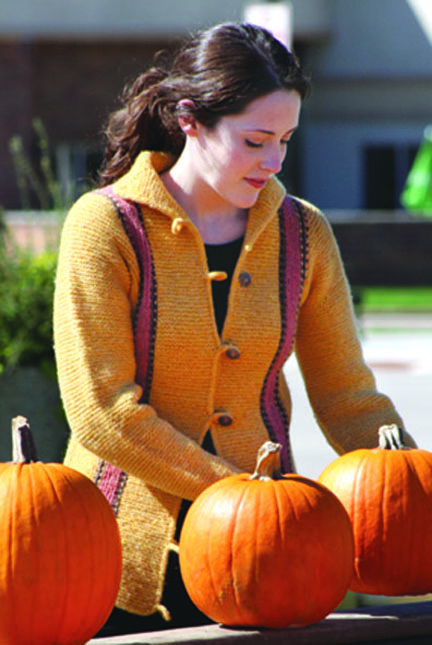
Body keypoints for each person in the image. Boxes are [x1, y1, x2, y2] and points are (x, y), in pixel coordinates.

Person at [53, 22, 415, 637]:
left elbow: (345, 393)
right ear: (191, 120)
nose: (274, 162)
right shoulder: (107, 227)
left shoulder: (303, 232)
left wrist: (413, 488)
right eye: (255, 140)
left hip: (271, 564)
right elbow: (102, 411)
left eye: (285, 141)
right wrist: (243, 496)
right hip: (114, 558)